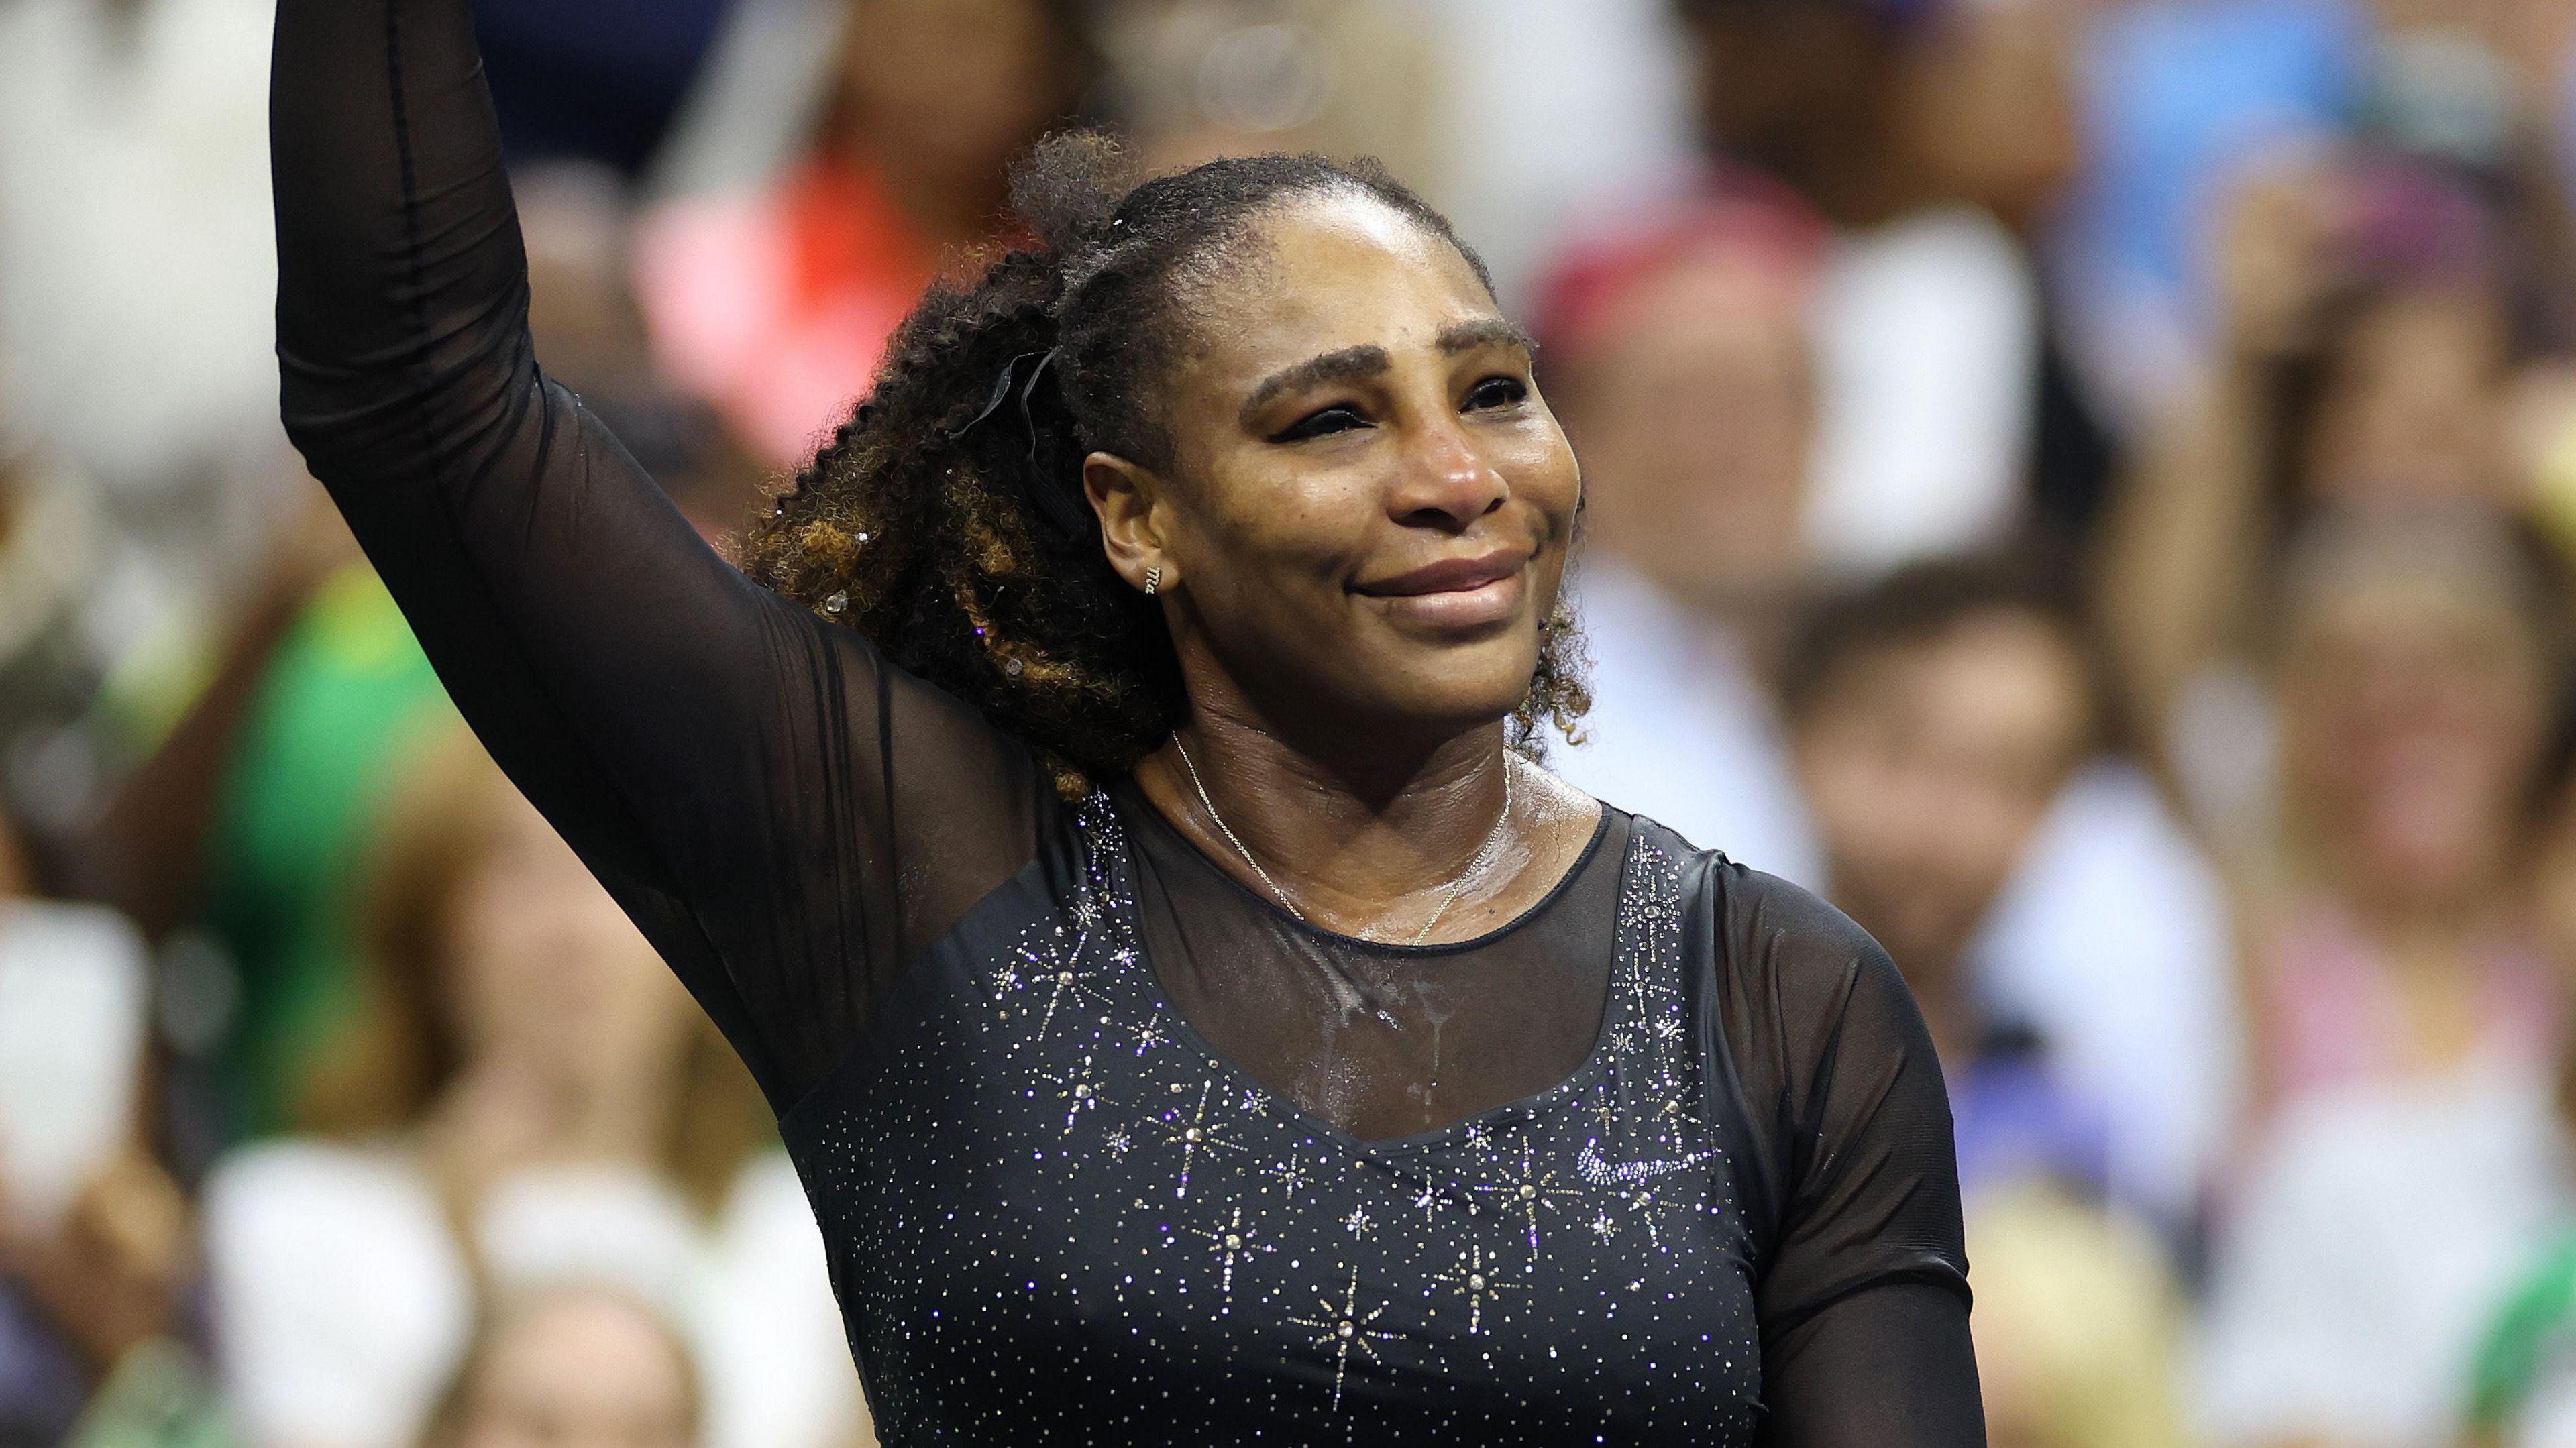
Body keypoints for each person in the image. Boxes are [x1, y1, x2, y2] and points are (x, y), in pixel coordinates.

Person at [267, 0, 1984, 1437]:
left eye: (1491, 390)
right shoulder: (914, 874)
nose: (1456, 476)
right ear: (1133, 512)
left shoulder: (1778, 999)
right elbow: (420, 390)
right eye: (1328, 419)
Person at [203, 729, 860, 1448]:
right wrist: (458, 1245)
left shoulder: (815, 1235)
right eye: (517, 871)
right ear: (427, 929)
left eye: (619, 879)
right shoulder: (295, 1217)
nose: (574, 930)